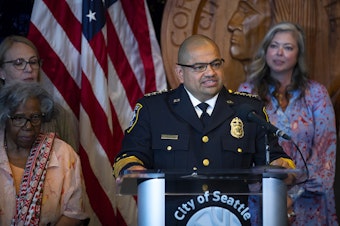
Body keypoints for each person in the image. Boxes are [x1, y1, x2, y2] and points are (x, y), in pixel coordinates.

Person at [113, 34, 295, 225]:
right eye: (199, 67)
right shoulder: (153, 109)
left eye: (215, 64)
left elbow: (273, 158)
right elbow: (130, 156)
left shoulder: (249, 109)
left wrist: (281, 165)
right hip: (173, 220)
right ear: (180, 73)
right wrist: (132, 170)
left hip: (232, 219)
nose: (210, 72)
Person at [238, 22, 338, 225]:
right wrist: (272, 193)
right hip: (262, 200)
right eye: (274, 46)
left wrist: (293, 194)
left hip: (309, 202)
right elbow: (242, 149)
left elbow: (325, 152)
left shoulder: (316, 94)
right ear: (266, 50)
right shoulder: (246, 92)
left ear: (298, 54)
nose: (279, 53)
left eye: (288, 47)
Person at [0, 81, 88, 225]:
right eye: (19, 118)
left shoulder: (63, 154)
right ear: (5, 118)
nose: (28, 126)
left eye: (35, 117)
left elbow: (75, 214)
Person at [0, 35, 79, 151]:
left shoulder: (59, 115)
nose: (29, 69)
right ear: (1, 72)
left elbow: (71, 164)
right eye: (19, 63)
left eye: (33, 62)